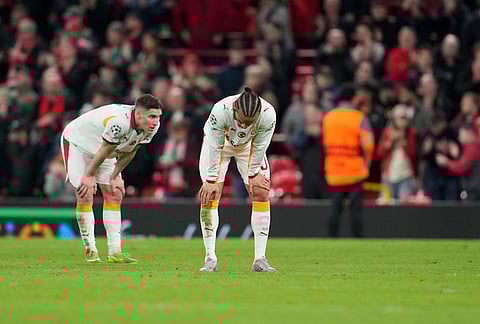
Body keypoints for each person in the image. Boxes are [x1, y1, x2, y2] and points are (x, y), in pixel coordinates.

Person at [60, 94, 162, 263]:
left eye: (158, 116)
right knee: (85, 192)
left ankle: (115, 251)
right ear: (138, 115)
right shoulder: (119, 123)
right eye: (152, 116)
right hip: (78, 142)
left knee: (115, 193)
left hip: (104, 149)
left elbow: (132, 148)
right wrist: (89, 175)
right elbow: (105, 150)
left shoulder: (151, 127)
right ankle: (90, 249)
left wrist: (115, 176)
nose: (156, 121)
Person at [198, 87, 276, 272]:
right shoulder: (220, 110)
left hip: (248, 147)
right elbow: (215, 147)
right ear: (234, 108)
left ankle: (260, 258)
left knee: (261, 192)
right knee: (210, 195)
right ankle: (210, 258)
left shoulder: (268, 114)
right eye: (241, 121)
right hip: (219, 145)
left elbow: (260, 146)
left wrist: (253, 174)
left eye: (250, 122)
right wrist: (211, 180)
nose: (244, 125)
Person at [322, 85, 374, 237]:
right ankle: (357, 239)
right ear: (353, 98)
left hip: (334, 170)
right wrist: (367, 164)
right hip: (354, 171)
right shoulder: (359, 117)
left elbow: (324, 145)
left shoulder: (328, 117)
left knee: (334, 209)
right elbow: (369, 145)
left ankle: (331, 240)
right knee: (355, 210)